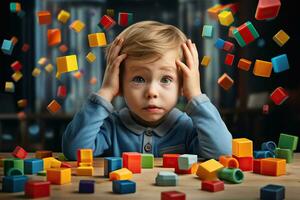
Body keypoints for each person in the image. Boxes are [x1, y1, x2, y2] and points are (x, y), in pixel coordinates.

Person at [62, 21, 232, 160]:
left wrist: (195, 94)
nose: (152, 92)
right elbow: (74, 151)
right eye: (139, 79)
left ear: (182, 85)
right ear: (119, 85)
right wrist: (106, 90)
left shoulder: (187, 128)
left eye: (166, 79)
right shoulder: (110, 128)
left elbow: (222, 152)